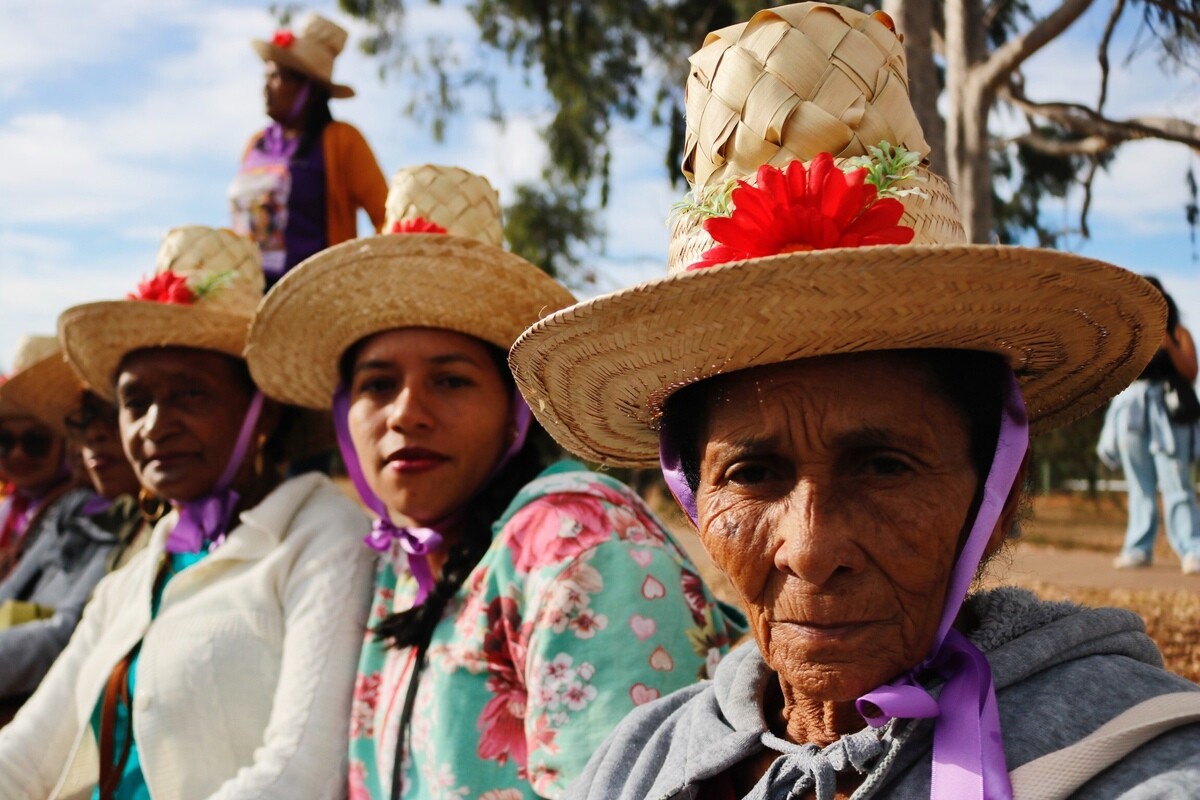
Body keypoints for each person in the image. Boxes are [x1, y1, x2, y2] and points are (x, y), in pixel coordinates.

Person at [508, 5, 1200, 799]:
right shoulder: (642, 763)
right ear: (693, 496)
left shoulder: (1140, 765)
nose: (811, 548)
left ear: (996, 494)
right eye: (753, 473)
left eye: (882, 465)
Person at [245, 164, 745, 799]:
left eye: (451, 379)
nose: (405, 412)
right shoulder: (401, 567)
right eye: (376, 384)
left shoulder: (581, 547)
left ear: (516, 408)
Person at [0, 226, 374, 799]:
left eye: (190, 394)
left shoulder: (322, 538)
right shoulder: (137, 575)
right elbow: (25, 755)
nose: (154, 425)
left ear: (264, 412)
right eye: (135, 401)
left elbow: (302, 770)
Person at [0, 339, 144, 714]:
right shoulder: (73, 505)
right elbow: (9, 592)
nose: (94, 434)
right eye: (83, 420)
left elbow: (66, 635)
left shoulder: (142, 526)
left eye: (115, 411)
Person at [230, 11, 388, 288]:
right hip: (251, 296)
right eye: (265, 76)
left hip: (318, 298)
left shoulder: (342, 141)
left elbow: (387, 217)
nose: (265, 88)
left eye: (277, 77)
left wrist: (369, 283)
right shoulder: (255, 144)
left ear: (309, 89)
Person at [1098, 276, 1200, 574]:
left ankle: (1192, 548)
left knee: (1177, 481)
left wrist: (1167, 344)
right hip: (1132, 411)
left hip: (1168, 413)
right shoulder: (1130, 332)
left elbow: (1191, 371)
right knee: (1139, 484)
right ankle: (1138, 548)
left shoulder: (1177, 332)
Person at [0, 336, 75, 582]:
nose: (17, 454)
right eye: (5, 441)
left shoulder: (81, 511)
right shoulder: (11, 510)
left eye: (35, 441)